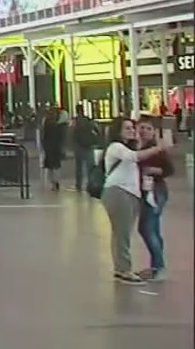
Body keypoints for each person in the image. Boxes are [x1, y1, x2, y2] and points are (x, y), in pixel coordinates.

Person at [99, 117, 167, 284]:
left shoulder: (128, 146)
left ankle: (122, 268)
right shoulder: (116, 147)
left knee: (122, 232)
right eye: (127, 128)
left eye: (132, 128)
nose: (132, 131)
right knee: (122, 233)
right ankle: (124, 269)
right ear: (118, 130)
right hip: (119, 192)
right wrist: (159, 148)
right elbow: (133, 157)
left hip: (130, 194)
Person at [136, 116, 174, 281]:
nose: (144, 131)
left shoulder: (157, 149)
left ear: (154, 132)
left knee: (146, 228)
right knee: (153, 229)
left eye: (148, 129)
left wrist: (152, 170)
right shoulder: (137, 147)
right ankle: (156, 266)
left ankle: (159, 266)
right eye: (141, 128)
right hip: (144, 191)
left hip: (156, 191)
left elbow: (169, 170)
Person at [71, 109, 101, 192]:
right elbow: (97, 131)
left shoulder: (75, 120)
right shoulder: (89, 120)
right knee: (90, 167)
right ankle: (90, 184)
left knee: (79, 167)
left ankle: (78, 185)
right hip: (89, 146)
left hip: (79, 146)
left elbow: (72, 133)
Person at [41, 108, 67, 191]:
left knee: (50, 167)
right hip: (57, 147)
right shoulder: (58, 126)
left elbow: (44, 137)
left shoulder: (47, 124)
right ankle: (56, 181)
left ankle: (53, 183)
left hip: (49, 148)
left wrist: (43, 147)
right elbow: (62, 137)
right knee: (56, 166)